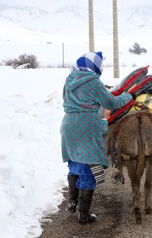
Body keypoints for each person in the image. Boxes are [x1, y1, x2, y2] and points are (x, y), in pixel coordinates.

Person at [60, 51, 133, 225]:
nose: (101, 69)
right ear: (93, 66)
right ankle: (83, 214)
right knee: (89, 167)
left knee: (75, 162)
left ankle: (72, 201)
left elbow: (66, 99)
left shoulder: (69, 79)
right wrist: (127, 96)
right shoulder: (93, 81)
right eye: (100, 66)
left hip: (68, 124)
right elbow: (112, 103)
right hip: (87, 126)